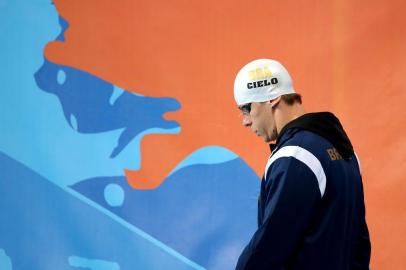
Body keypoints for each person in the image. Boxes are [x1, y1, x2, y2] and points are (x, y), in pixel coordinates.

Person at [233, 59, 371, 270]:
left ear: (272, 98)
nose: (245, 121)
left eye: (246, 108)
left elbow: (270, 246)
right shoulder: (346, 153)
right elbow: (360, 243)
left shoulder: (295, 157)